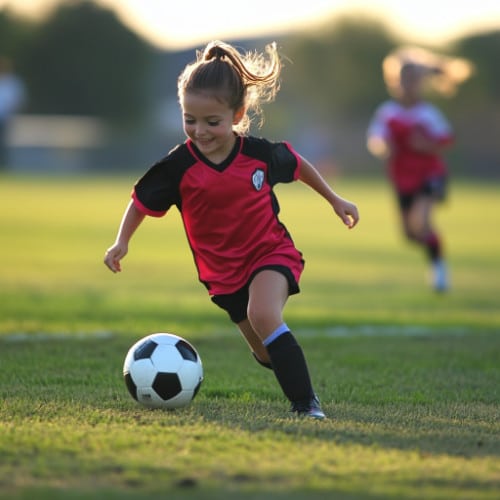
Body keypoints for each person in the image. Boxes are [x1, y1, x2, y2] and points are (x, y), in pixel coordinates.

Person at [104, 40, 359, 419]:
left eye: (212, 122)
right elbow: (141, 200)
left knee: (265, 315)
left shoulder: (257, 154)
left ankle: (306, 405)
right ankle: (288, 367)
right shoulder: (178, 167)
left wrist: (334, 198)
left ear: (238, 114)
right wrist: (121, 241)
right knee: (262, 348)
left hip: (269, 252)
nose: (200, 130)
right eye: (189, 119)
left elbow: (297, 163)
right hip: (222, 274)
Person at [366, 46, 472, 292]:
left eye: (413, 79)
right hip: (402, 179)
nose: (408, 84)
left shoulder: (428, 113)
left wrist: (425, 145)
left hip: (430, 174)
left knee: (421, 222)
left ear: (420, 83)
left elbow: (446, 140)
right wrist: (383, 147)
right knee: (411, 235)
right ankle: (436, 253)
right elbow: (376, 140)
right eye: (403, 79)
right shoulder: (387, 113)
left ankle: (439, 271)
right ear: (394, 81)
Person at [0, 56, 25, 168]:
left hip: (5, 118)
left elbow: (17, 100)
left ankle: (4, 165)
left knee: (3, 143)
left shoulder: (13, 82)